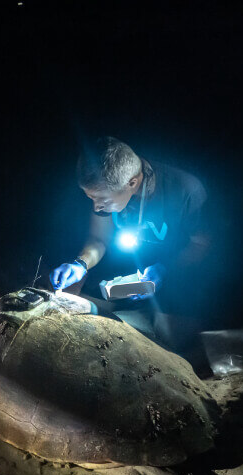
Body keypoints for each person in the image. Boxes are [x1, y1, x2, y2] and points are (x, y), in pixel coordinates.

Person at [50, 136, 210, 350]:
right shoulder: (107, 188)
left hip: (178, 269)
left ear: (132, 183)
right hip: (129, 271)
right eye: (91, 198)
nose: (97, 207)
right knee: (76, 295)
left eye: (103, 200)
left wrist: (165, 270)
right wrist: (81, 264)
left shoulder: (186, 190)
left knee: (169, 341)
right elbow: (99, 239)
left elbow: (201, 246)